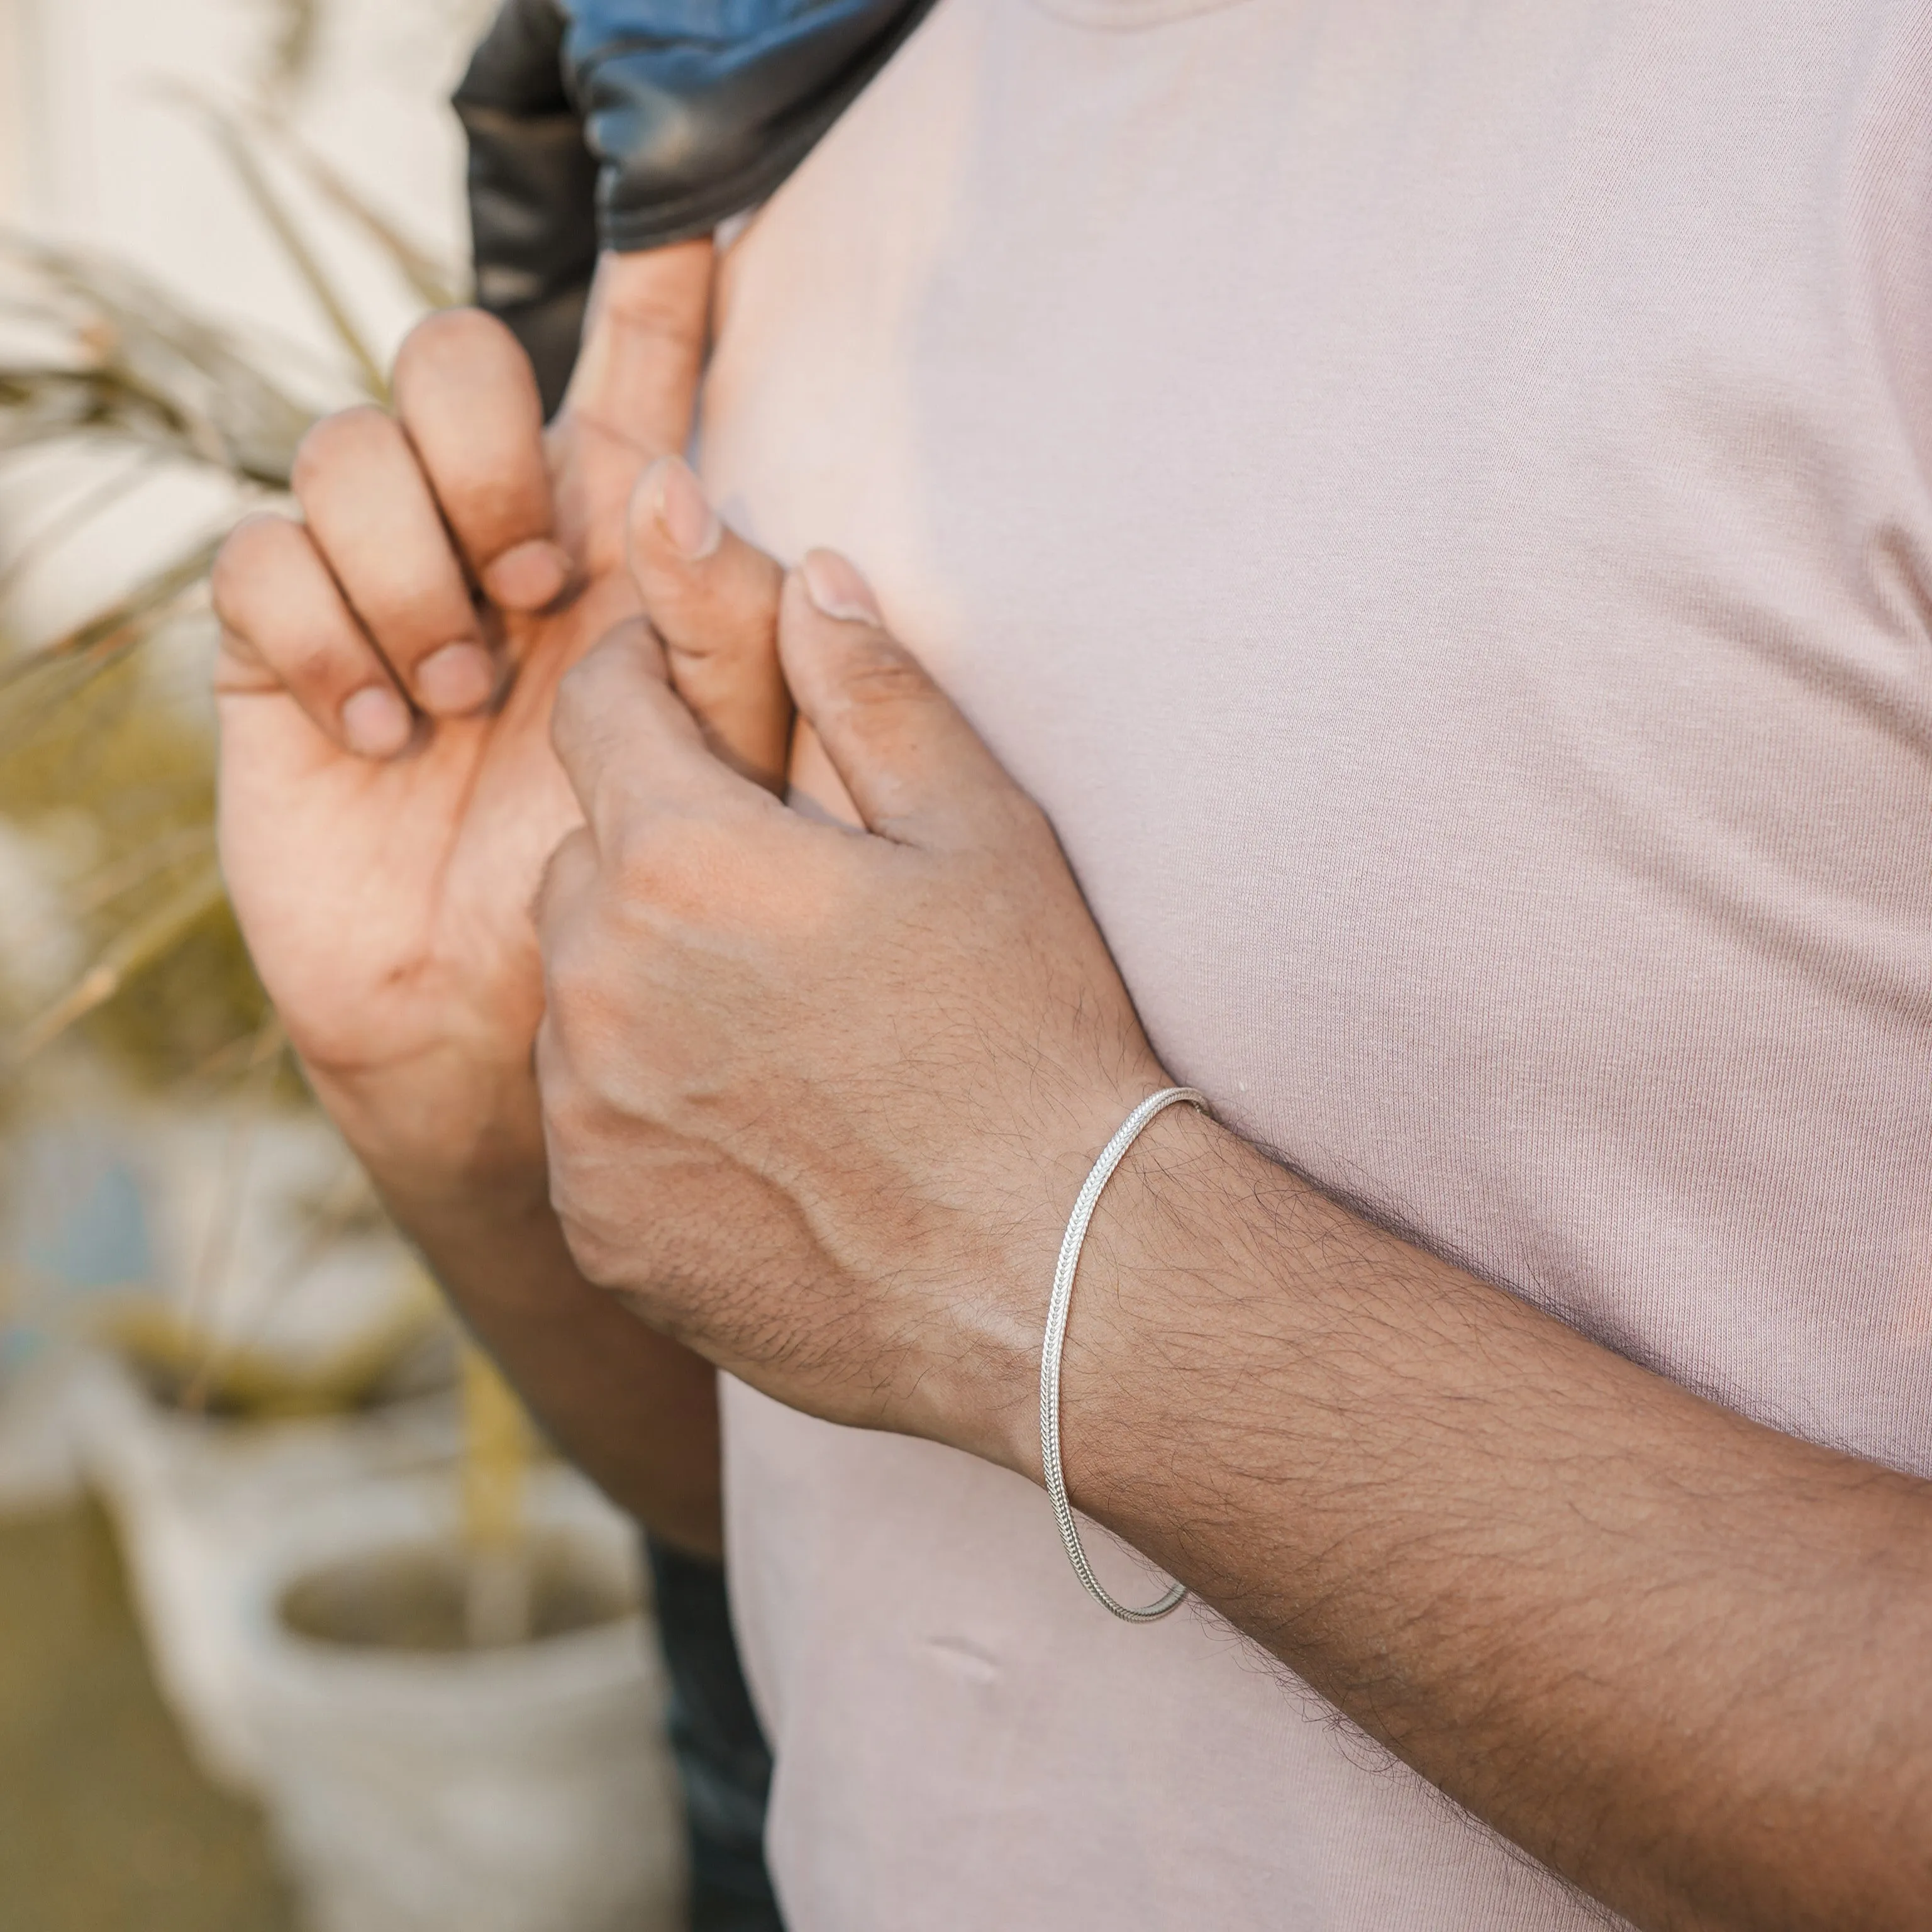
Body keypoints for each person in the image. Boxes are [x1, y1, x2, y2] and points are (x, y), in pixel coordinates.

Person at [211, 3, 1932, 1927]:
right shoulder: (774, 122)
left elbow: (971, 1283)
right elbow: (833, 1531)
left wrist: (1075, 1265)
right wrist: (451, 1089)